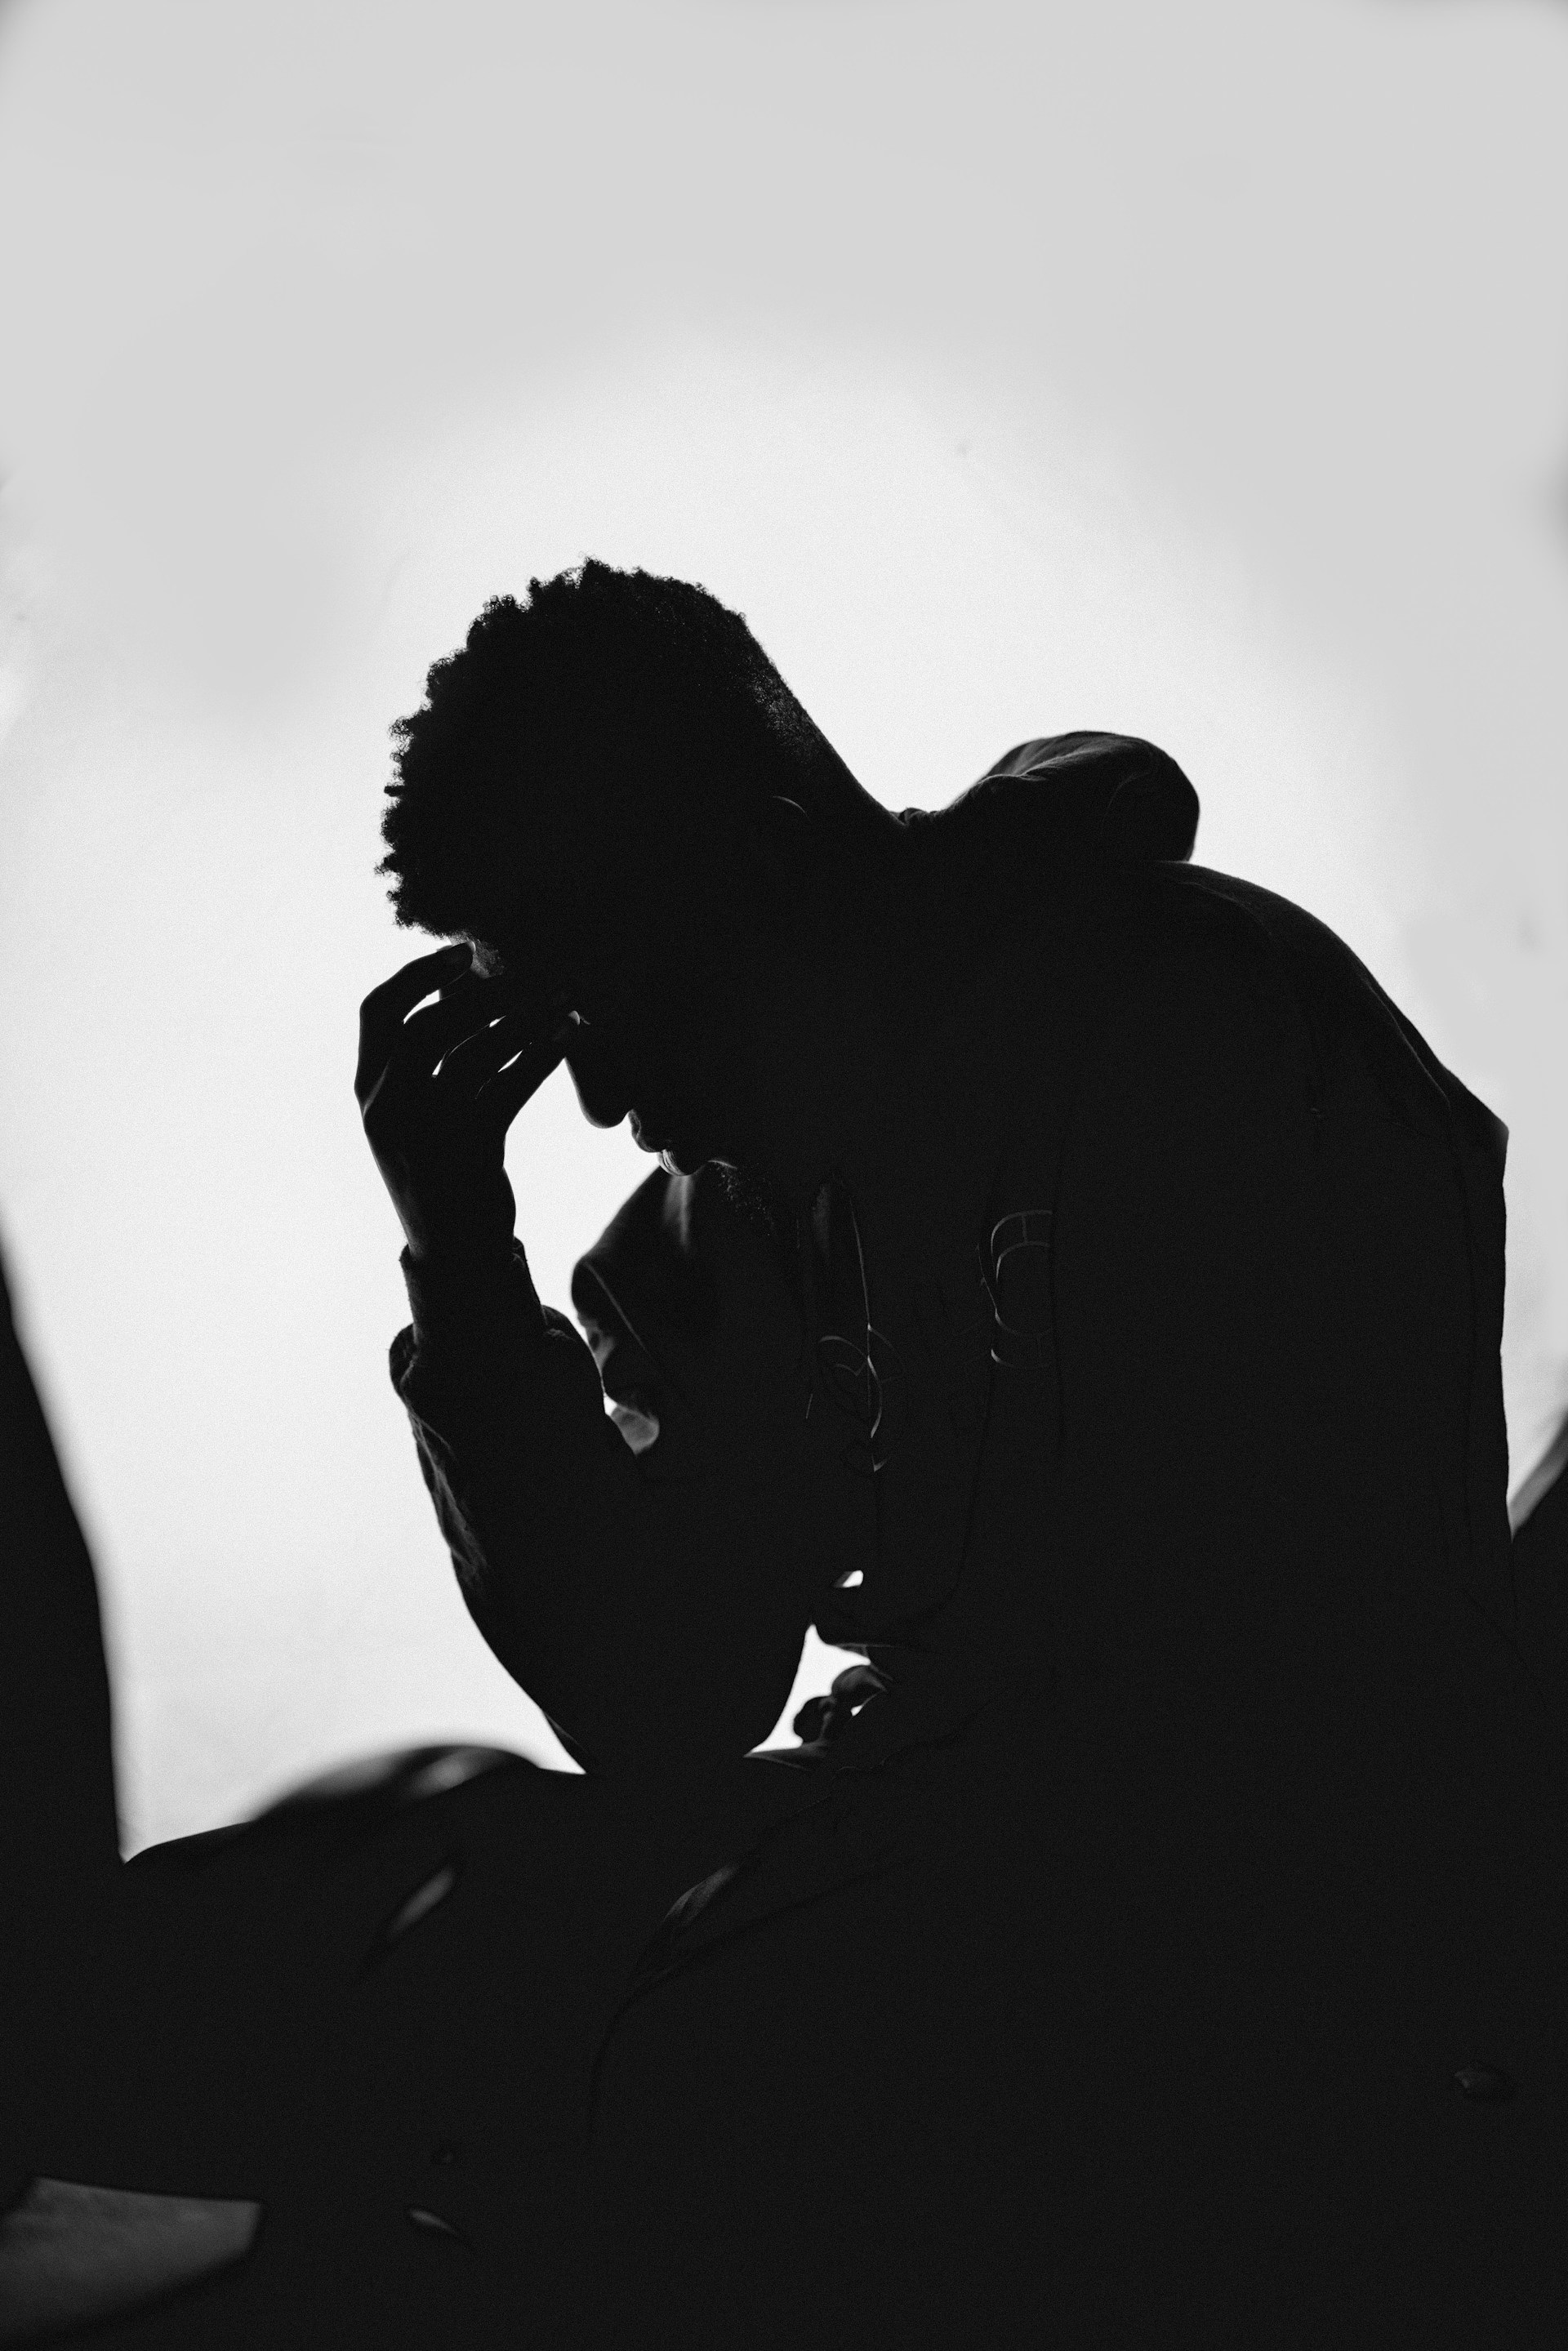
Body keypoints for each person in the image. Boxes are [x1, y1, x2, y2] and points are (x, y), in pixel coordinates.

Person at [2, 557, 1562, 2344]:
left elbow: (1285, 1702)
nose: (593, 1096)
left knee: (683, 2048)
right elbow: (669, 1702)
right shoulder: (699, 1247)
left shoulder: (1192, 1015)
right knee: (294, 1908)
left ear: (746, 854)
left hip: (1233, 1944)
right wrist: (463, 1261)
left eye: (604, 1000)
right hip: (900, 1890)